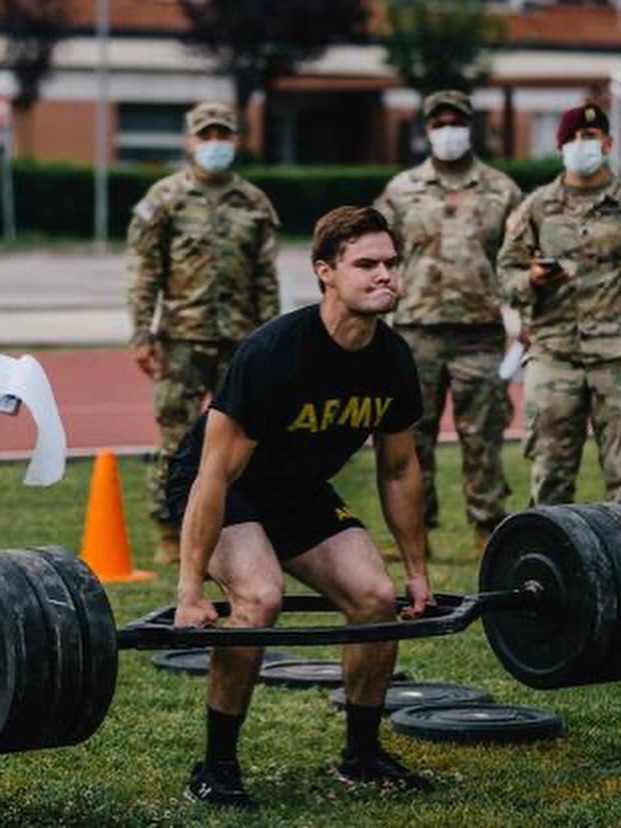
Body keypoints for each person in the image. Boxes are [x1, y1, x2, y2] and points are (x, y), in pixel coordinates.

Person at [169, 206, 434, 809]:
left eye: (391, 263)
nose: (385, 276)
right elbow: (214, 474)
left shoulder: (392, 359)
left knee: (375, 598)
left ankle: (362, 758)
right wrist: (189, 591)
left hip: (298, 492)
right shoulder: (274, 353)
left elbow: (398, 469)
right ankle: (216, 766)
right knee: (259, 597)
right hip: (222, 486)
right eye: (366, 265)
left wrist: (417, 572)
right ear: (326, 273)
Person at [127, 101, 280, 564]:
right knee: (175, 435)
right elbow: (144, 272)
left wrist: (272, 340)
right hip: (180, 338)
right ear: (189, 141)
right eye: (205, 135)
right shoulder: (165, 199)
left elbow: (265, 279)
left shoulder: (253, 203)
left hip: (240, 341)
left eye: (223, 135)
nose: (214, 144)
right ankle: (169, 529)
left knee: (244, 437)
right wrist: (141, 334)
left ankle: (243, 524)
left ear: (235, 141)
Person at [375, 89, 522, 553]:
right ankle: (415, 532)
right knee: (411, 436)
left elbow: (520, 259)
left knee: (483, 435)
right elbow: (376, 255)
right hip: (415, 331)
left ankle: (487, 532)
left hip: (479, 332)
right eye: (438, 123)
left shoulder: (502, 190)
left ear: (470, 127)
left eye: (455, 121)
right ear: (426, 130)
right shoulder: (400, 190)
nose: (447, 131)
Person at [497, 103, 621, 505]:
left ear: (608, 142)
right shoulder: (536, 207)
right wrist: (531, 279)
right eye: (572, 138)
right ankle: (557, 566)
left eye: (590, 136)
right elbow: (506, 276)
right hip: (554, 358)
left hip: (616, 359)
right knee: (550, 476)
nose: (581, 145)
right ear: (560, 146)